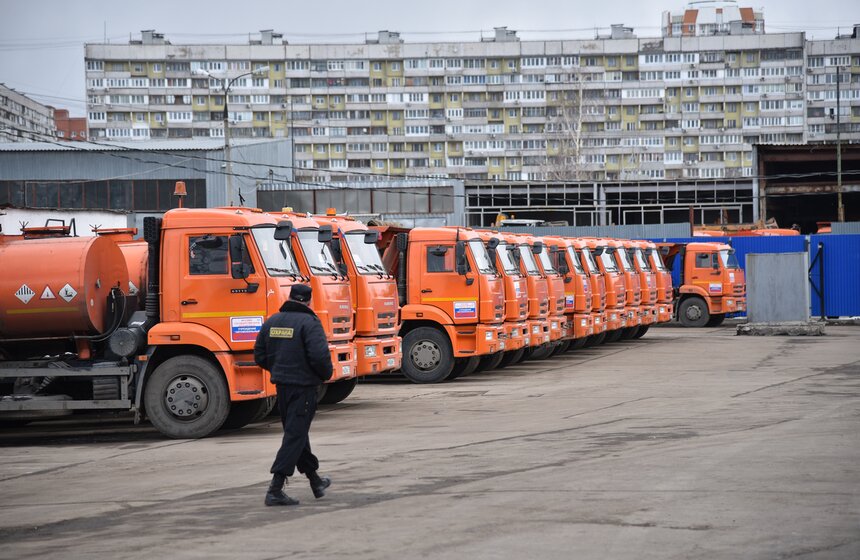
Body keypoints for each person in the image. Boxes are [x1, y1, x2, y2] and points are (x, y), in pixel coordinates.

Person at [254, 284, 333, 506]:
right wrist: (324, 375)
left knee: (296, 433)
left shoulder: (273, 321)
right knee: (295, 435)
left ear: (289, 298)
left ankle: (315, 481)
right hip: (304, 388)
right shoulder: (310, 323)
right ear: (308, 301)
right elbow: (319, 357)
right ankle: (275, 488)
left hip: (283, 387)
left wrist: (279, 369)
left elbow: (259, 354)